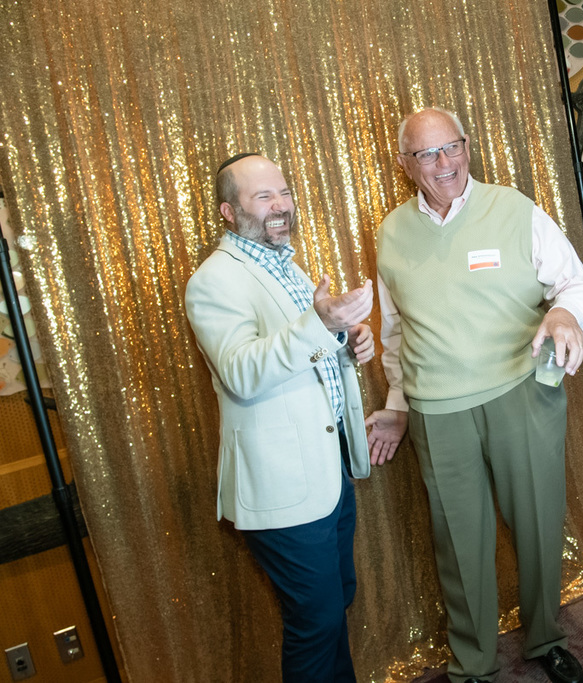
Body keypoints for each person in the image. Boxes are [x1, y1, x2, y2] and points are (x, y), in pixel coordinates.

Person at [365, 108, 583, 683]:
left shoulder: (515, 209)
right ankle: (473, 662)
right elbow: (395, 333)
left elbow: (578, 285)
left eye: (453, 147)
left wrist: (567, 315)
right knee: (458, 541)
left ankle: (545, 635)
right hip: (436, 410)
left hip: (521, 393)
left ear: (467, 146)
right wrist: (397, 408)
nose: (445, 163)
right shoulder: (391, 233)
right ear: (406, 164)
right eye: (428, 154)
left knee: (539, 520)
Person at [185, 153, 375, 683]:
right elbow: (242, 372)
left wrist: (345, 341)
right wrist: (321, 324)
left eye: (284, 192)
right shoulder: (213, 282)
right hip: (283, 484)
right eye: (263, 196)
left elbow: (299, 357)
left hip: (326, 469)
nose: (280, 206)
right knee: (314, 622)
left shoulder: (287, 263)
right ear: (228, 210)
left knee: (336, 602)